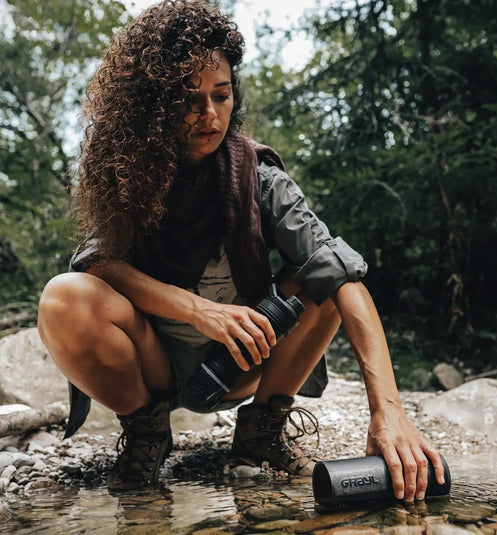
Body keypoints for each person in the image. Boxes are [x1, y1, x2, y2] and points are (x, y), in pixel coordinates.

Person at [37, 0, 445, 498]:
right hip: (154, 364)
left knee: (327, 277)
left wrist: (389, 412)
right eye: (188, 99)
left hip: (243, 363)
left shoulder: (260, 179)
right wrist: (197, 310)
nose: (209, 115)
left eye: (222, 95)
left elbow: (345, 275)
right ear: (153, 104)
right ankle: (147, 436)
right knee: (64, 295)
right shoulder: (127, 173)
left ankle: (259, 437)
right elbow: (96, 264)